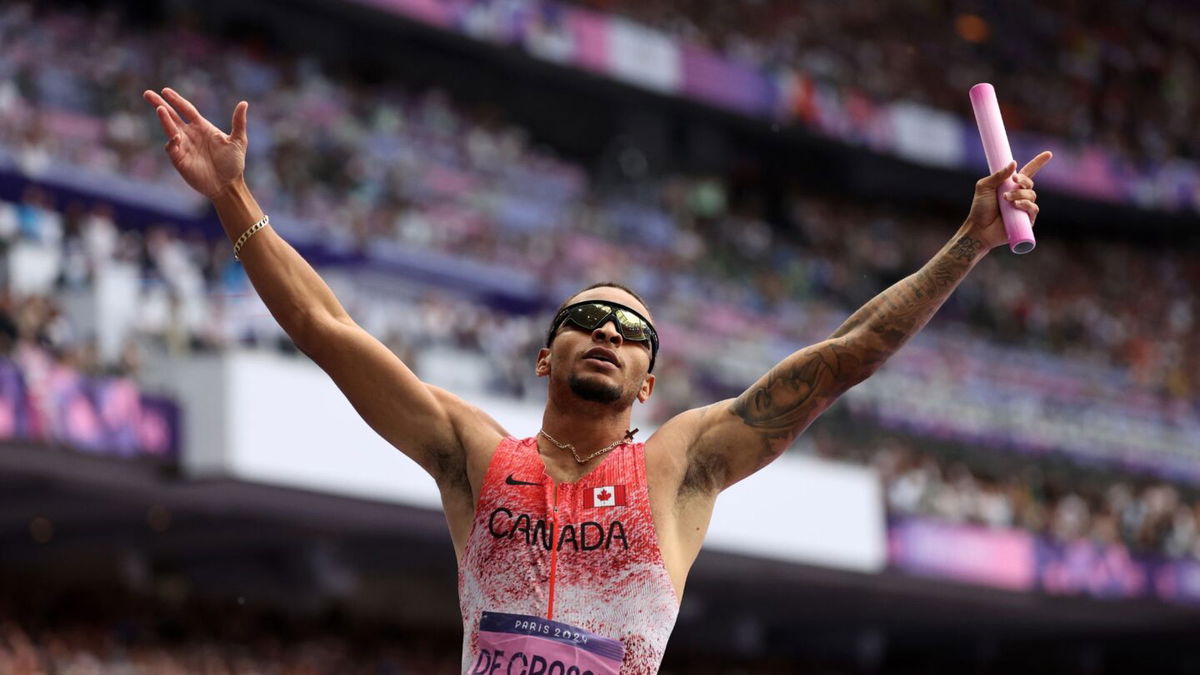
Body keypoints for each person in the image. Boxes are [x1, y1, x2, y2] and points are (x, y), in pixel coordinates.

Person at [143, 87, 1050, 674]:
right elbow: (325, 328)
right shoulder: (472, 456)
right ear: (547, 356)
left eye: (632, 332)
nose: (608, 334)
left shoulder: (682, 465)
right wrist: (233, 196)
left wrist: (968, 242)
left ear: (649, 380)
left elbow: (844, 357)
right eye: (587, 319)